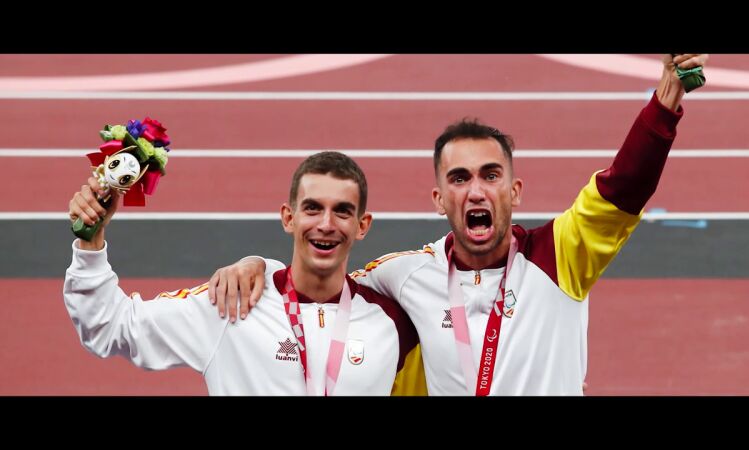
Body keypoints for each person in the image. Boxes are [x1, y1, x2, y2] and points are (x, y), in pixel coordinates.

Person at [208, 54, 708, 395]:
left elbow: (623, 187)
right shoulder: (402, 276)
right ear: (439, 198)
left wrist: (667, 97)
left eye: (491, 176)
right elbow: (320, 283)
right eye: (459, 178)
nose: (476, 190)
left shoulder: (561, 255)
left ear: (514, 192)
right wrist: (259, 264)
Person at [64, 151, 426, 395]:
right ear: (289, 217)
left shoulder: (393, 319)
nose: (326, 224)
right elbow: (110, 328)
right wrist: (91, 243)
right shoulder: (232, 302)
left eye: (343, 212)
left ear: (363, 225)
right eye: (313, 208)